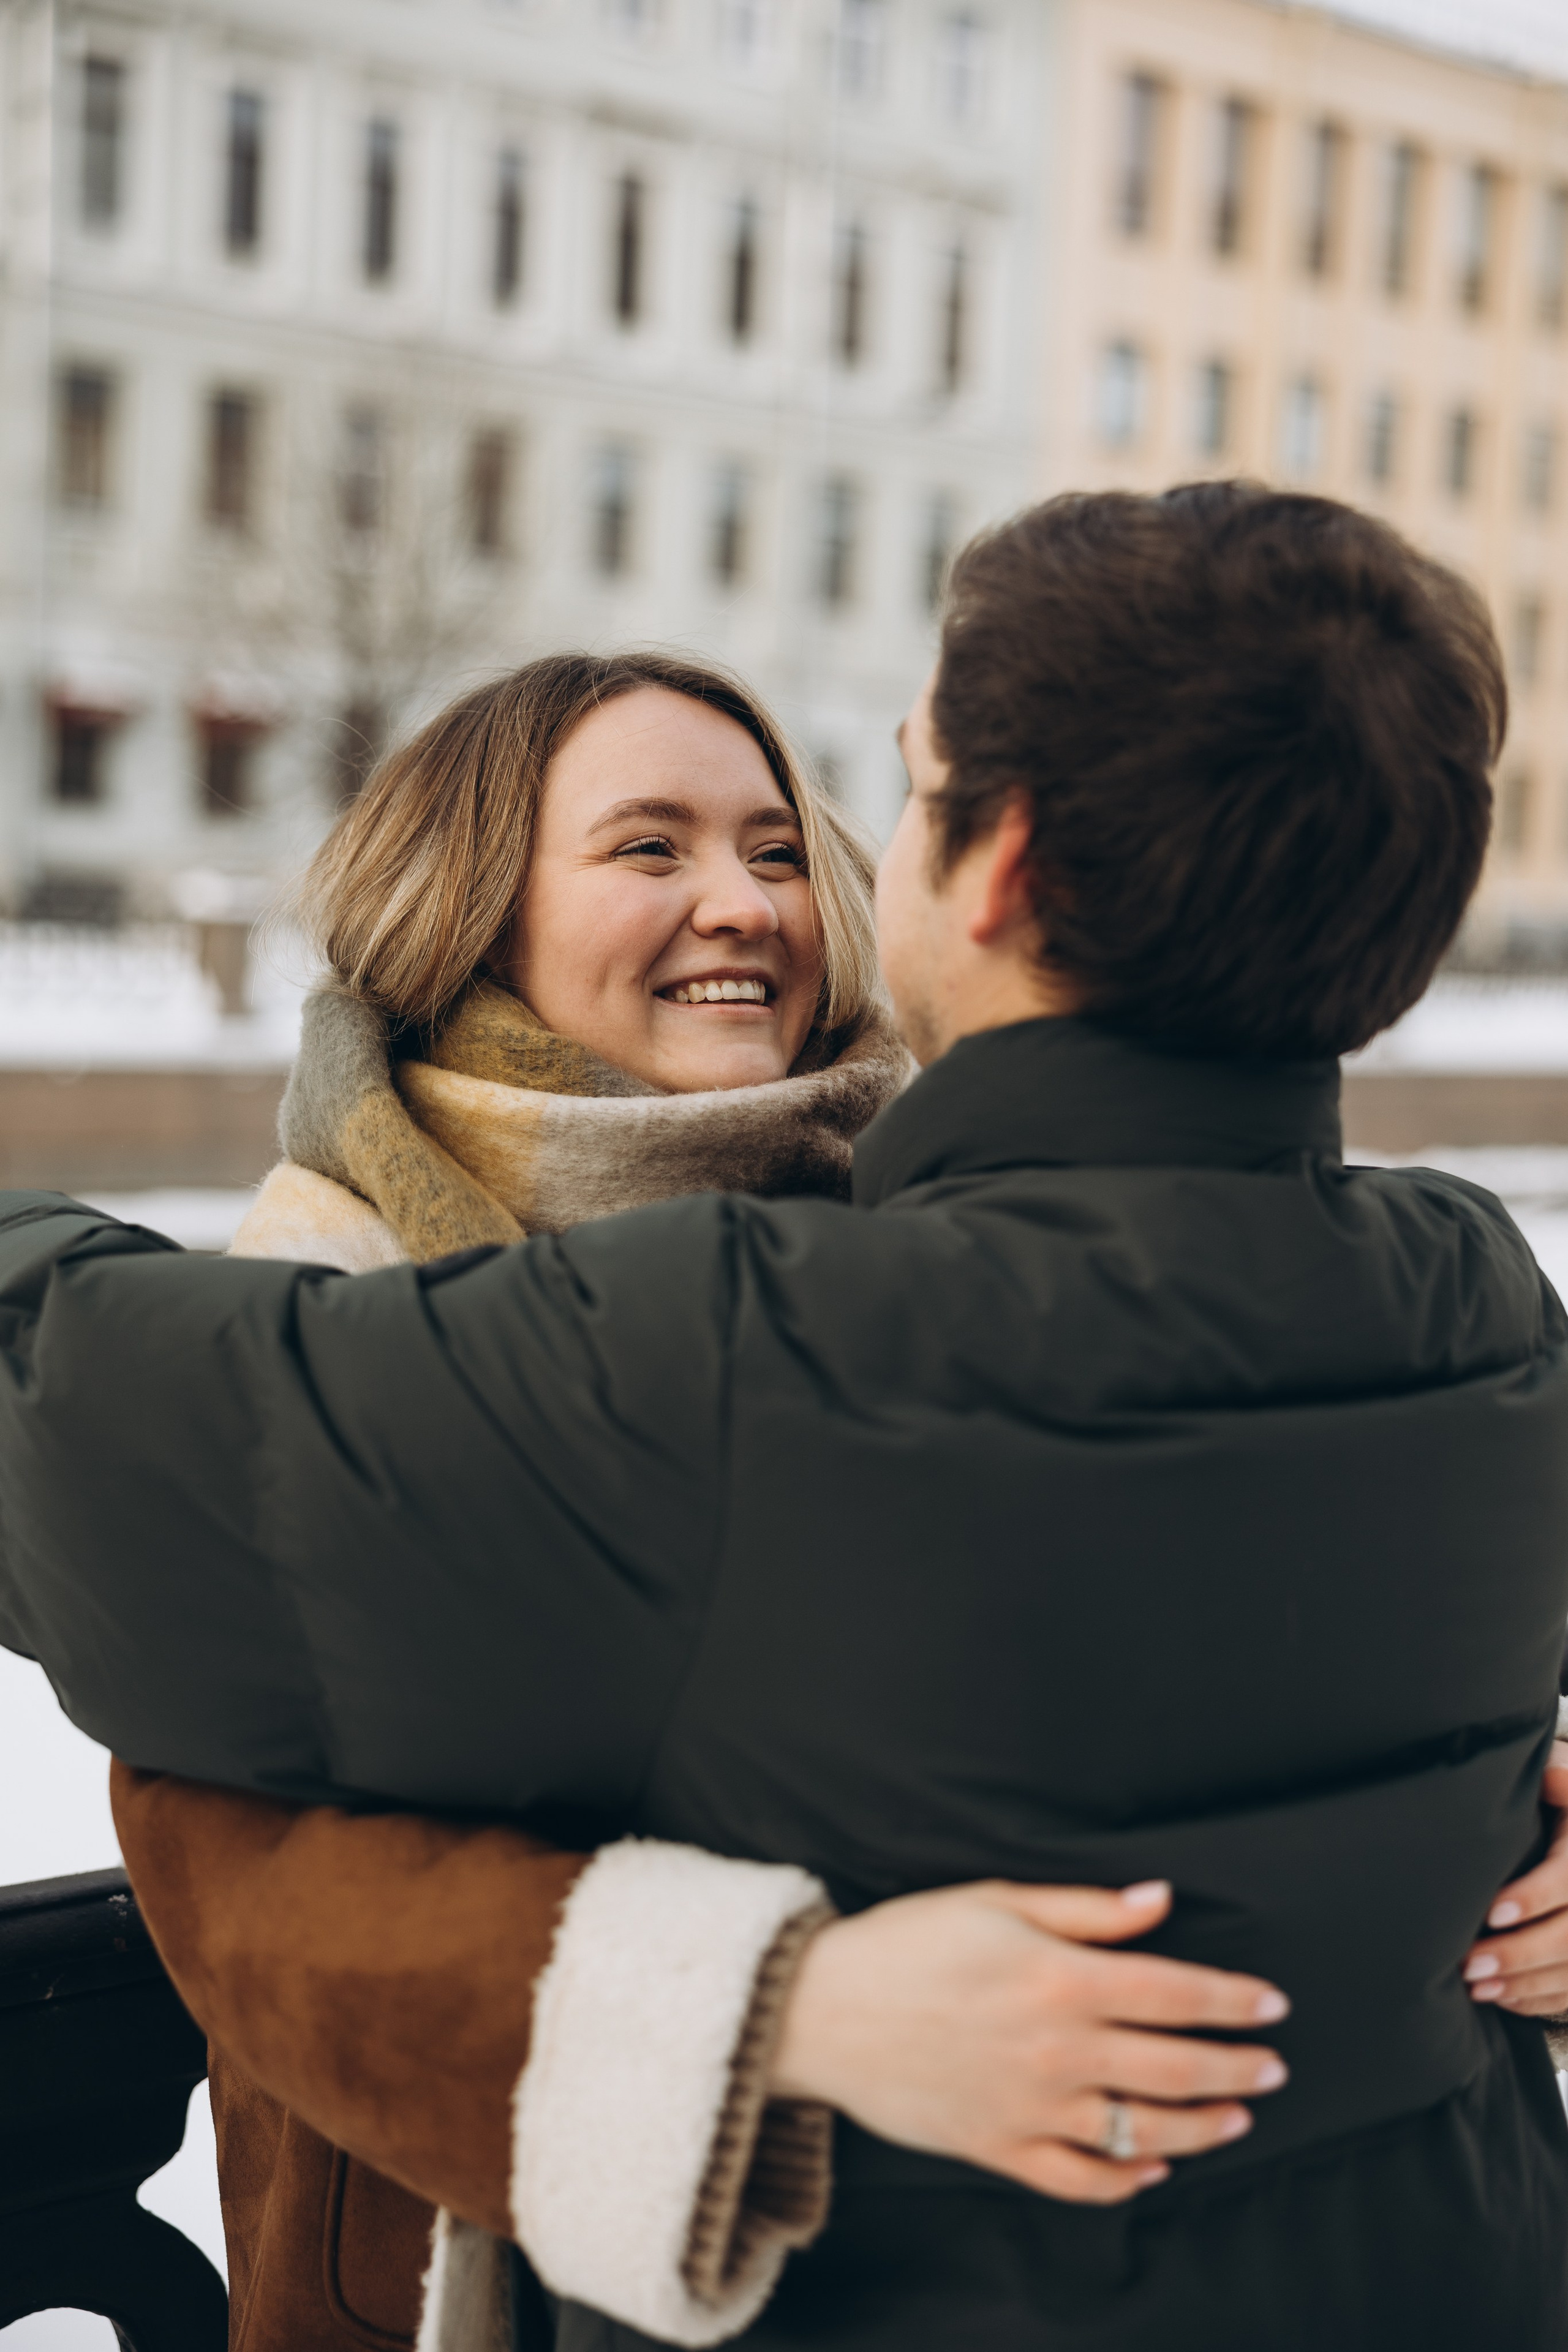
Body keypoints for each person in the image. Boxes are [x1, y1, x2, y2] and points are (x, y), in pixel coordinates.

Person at [4, 482, 1568, 2350]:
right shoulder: (1483, 1300)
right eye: (646, 845)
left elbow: (72, 1425)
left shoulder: (729, 1353)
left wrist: (759, 2015)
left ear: (996, 865)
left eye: (870, 802)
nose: (756, 894)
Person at [110, 648, 1284, 2351]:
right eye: (648, 850)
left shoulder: (956, 1240)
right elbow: (226, 1858)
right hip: (461, 2270)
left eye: (778, 848)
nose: (740, 901)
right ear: (472, 910)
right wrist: (771, 2012)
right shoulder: (329, 1277)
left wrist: (1485, 1838)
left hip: (962, 2253)